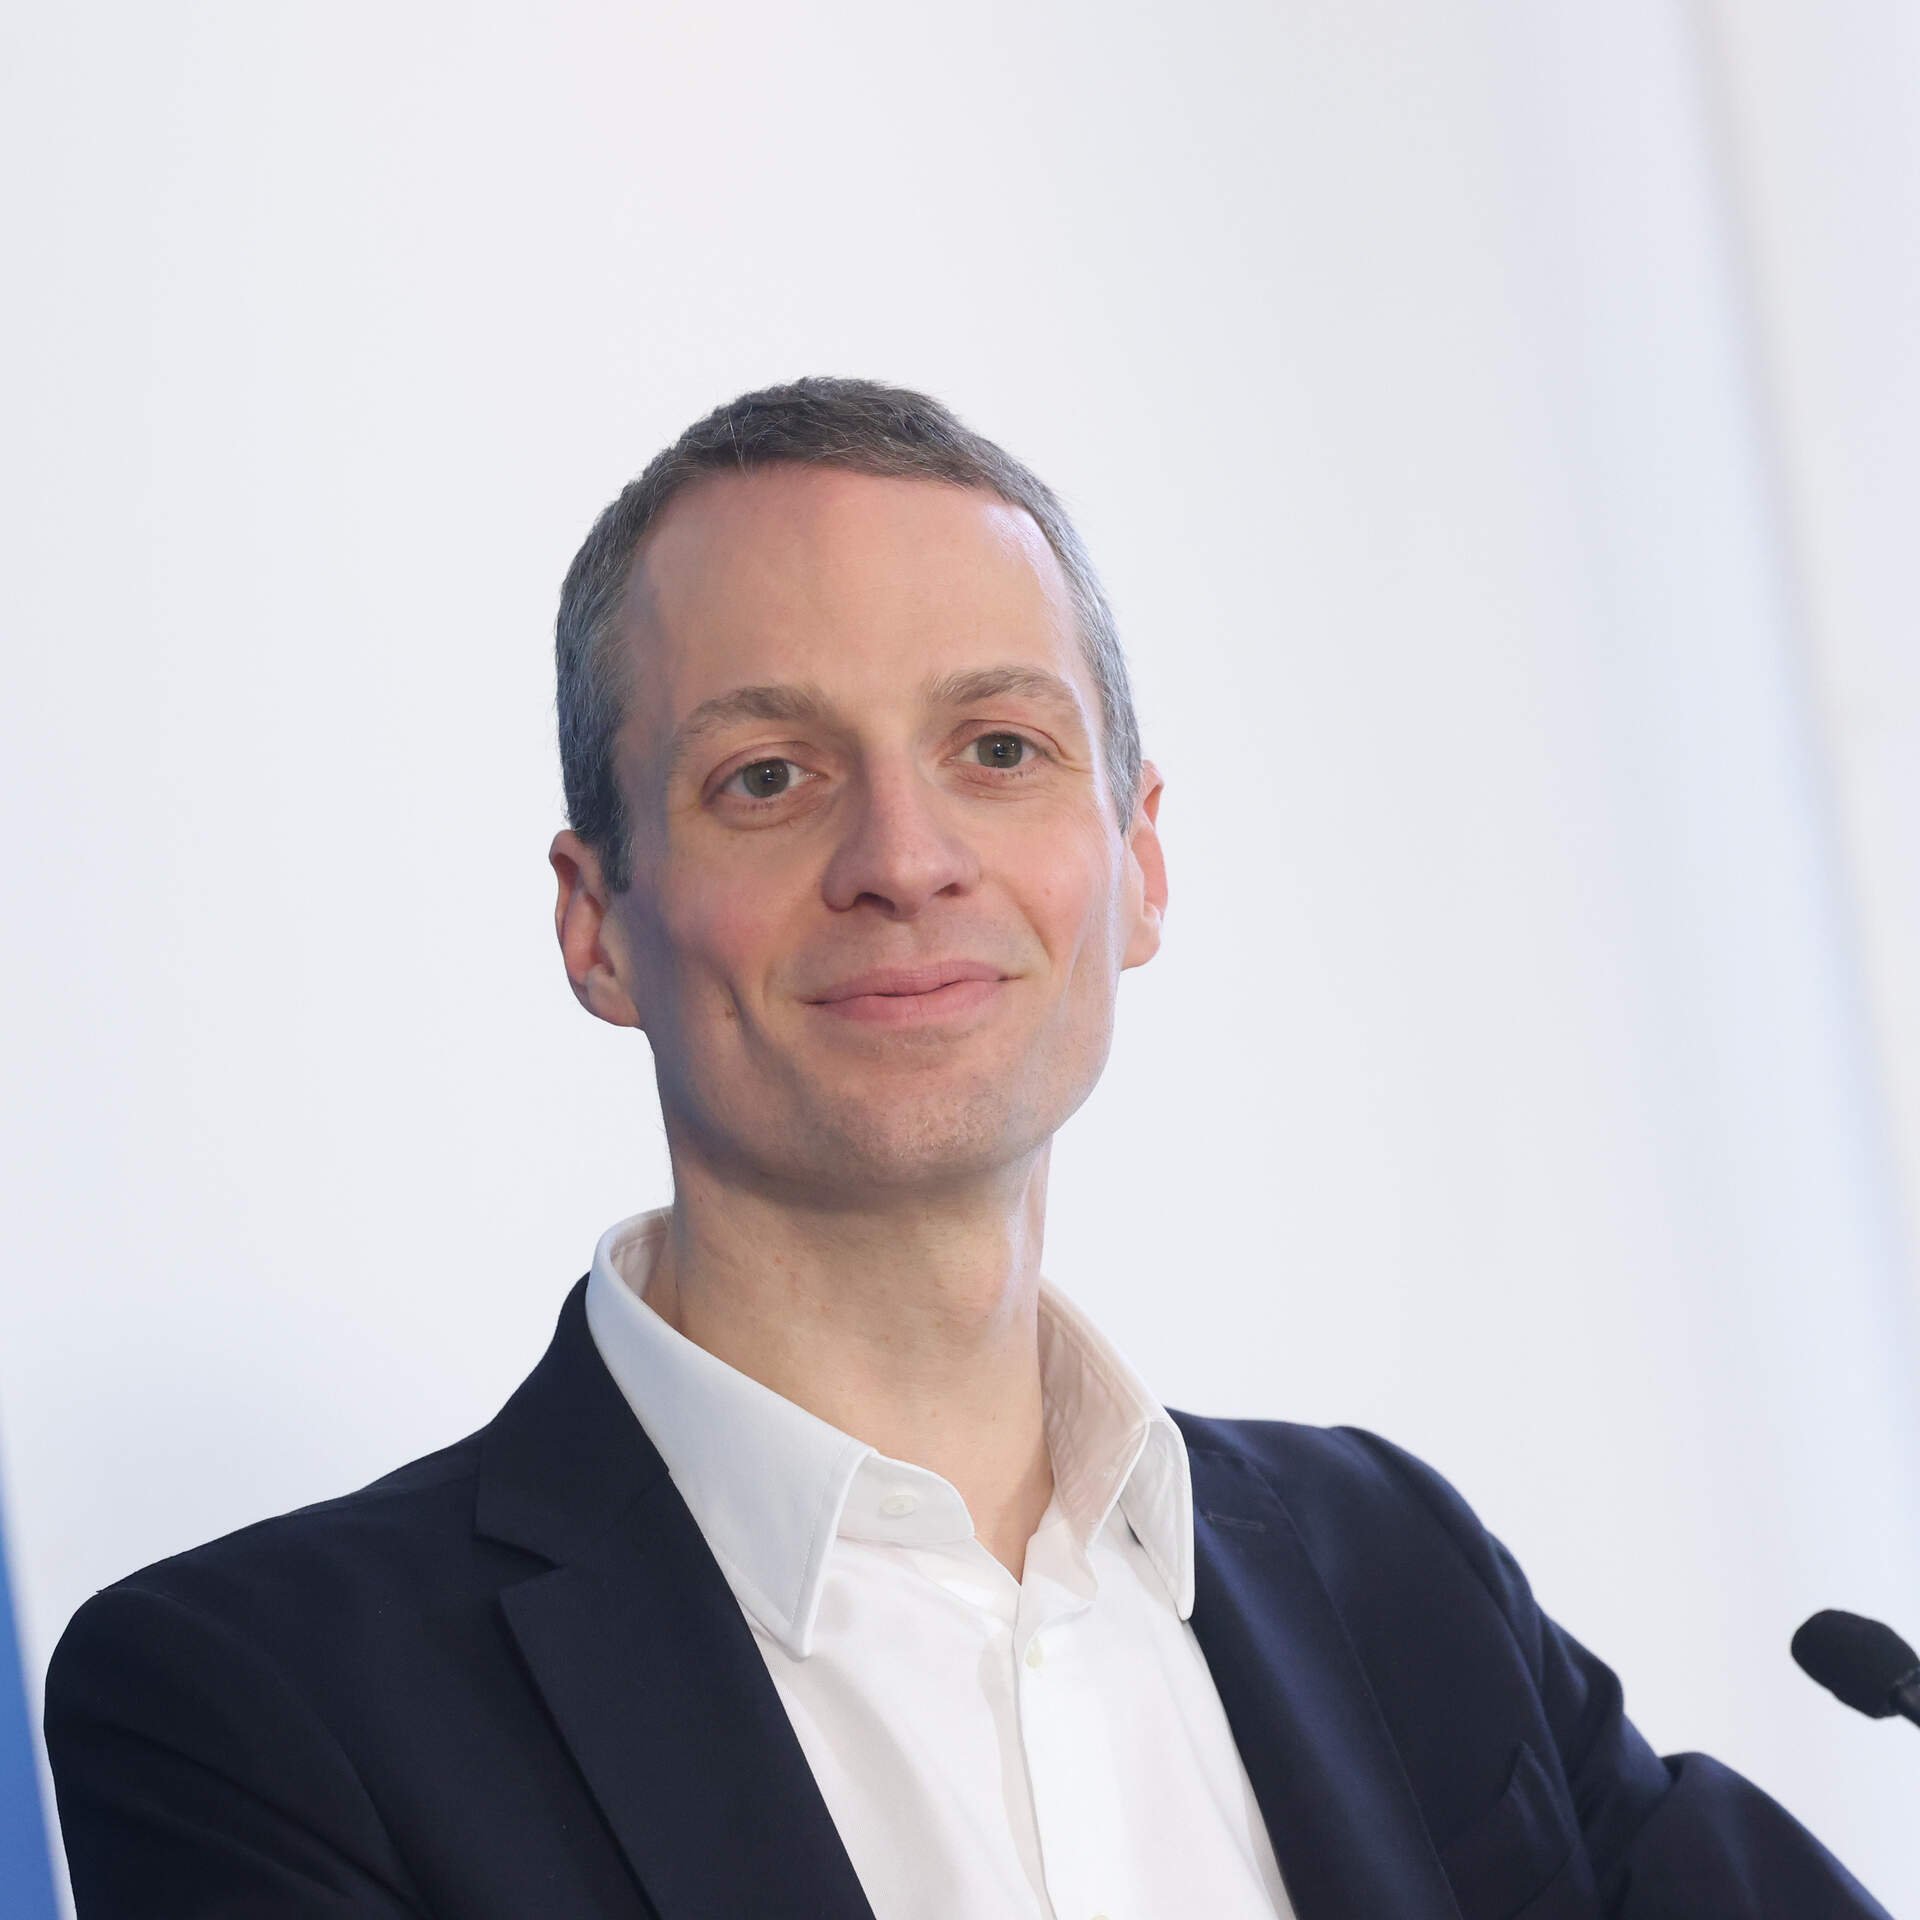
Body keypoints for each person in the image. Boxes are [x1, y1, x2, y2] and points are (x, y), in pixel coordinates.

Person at [44, 378, 1889, 1920]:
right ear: (598, 922)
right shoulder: (260, 1705)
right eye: (768, 776)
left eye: (998, 749)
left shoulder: (1394, 1575)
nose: (905, 858)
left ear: (1137, 863)